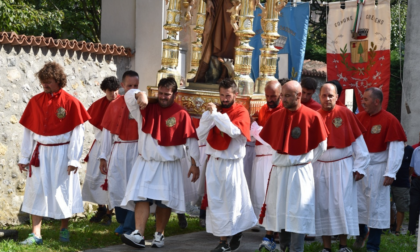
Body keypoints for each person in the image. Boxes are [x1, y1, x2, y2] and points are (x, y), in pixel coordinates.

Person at [120, 77, 200, 249]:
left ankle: (159, 235)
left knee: (164, 202)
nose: (163, 97)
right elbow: (128, 96)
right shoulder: (145, 108)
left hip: (168, 165)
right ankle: (139, 235)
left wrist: (195, 164)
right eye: (161, 93)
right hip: (146, 162)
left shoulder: (181, 114)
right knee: (141, 198)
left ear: (175, 94)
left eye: (167, 94)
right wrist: (139, 94)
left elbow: (191, 141)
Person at [18, 62, 90, 245]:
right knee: (36, 190)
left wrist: (74, 158)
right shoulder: (35, 101)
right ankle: (36, 234)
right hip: (40, 153)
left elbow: (78, 133)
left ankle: (64, 229)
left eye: (49, 81)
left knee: (62, 190)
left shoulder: (71, 102)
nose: (45, 85)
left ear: (58, 80)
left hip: (62, 152)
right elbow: (28, 132)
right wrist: (24, 157)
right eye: (43, 82)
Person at [258, 80, 328, 252]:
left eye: (287, 96)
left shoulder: (313, 116)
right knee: (280, 211)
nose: (284, 99)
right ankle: (284, 248)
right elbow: (270, 144)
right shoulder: (275, 117)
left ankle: (297, 250)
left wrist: (304, 160)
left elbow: (322, 146)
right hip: (279, 171)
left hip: (300, 171)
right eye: (282, 95)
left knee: (298, 213)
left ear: (298, 95)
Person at [196, 78, 257, 252]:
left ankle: (234, 233)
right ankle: (223, 241)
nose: (224, 98)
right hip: (214, 162)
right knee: (216, 203)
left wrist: (216, 115)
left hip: (231, 164)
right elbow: (200, 134)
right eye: (221, 95)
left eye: (228, 95)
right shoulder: (216, 110)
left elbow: (233, 131)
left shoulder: (241, 111)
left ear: (236, 94)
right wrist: (208, 117)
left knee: (231, 202)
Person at [313, 83, 370, 252]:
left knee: (342, 205)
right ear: (320, 97)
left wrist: (359, 167)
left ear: (337, 97)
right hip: (320, 167)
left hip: (342, 167)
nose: (327, 98)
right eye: (324, 95)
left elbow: (360, 145)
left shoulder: (345, 113)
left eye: (331, 95)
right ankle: (326, 247)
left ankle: (343, 246)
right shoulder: (314, 116)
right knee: (322, 205)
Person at [354, 88, 406, 252]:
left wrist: (391, 171)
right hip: (359, 169)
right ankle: (361, 234)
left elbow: (396, 148)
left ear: (376, 101)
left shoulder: (390, 120)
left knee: (376, 207)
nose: (362, 102)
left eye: (366, 99)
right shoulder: (358, 118)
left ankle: (373, 245)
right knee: (357, 204)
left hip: (378, 170)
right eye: (362, 99)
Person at [99, 71, 140, 235]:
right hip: (119, 149)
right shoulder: (114, 105)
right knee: (117, 188)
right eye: (129, 85)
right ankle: (122, 222)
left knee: (135, 189)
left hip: (138, 151)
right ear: (122, 86)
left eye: (135, 86)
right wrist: (103, 156)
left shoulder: (143, 103)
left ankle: (131, 225)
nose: (132, 89)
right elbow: (107, 132)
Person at [82, 76, 120, 225]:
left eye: (116, 90)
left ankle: (110, 213)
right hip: (99, 145)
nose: (113, 94)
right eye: (110, 91)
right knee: (96, 177)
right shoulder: (98, 105)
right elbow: (98, 129)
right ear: (104, 91)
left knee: (112, 179)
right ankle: (101, 208)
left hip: (117, 146)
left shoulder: (125, 103)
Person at [250, 80, 283, 229]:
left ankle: (272, 225)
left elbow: (270, 137)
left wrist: (254, 126)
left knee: (270, 193)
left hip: (272, 157)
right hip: (259, 156)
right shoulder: (263, 108)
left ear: (280, 95)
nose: (270, 99)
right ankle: (259, 220)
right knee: (258, 191)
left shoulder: (283, 112)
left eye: (273, 96)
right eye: (267, 95)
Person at [193, 0, 239, 83]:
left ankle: (225, 73)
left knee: (226, 41)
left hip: (229, 5)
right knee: (207, 35)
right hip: (215, 4)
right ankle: (201, 72)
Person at [390, 138, 413, 235]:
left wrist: (408, 176)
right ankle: (392, 224)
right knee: (388, 205)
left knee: (401, 207)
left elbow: (412, 166)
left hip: (402, 183)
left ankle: (397, 230)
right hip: (389, 182)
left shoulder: (410, 150)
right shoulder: (391, 149)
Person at [408, 132, 420, 235]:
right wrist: (410, 177)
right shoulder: (416, 150)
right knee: (413, 205)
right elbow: (412, 165)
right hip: (417, 181)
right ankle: (411, 231)